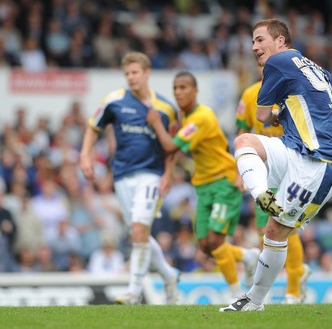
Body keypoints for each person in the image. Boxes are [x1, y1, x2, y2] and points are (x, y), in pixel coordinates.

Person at [220, 19, 332, 311]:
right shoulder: (313, 67)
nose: (254, 47)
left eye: (260, 40)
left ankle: (254, 301)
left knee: (275, 232)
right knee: (245, 142)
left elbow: (260, 115)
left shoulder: (279, 62)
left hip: (319, 163)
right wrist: (314, 104)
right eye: (253, 41)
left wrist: (280, 111)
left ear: (280, 40)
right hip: (295, 149)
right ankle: (262, 195)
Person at [146, 71, 260, 297]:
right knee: (205, 245)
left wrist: (156, 123)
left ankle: (238, 295)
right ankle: (248, 256)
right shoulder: (186, 117)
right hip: (203, 186)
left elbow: (170, 147)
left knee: (216, 242)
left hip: (223, 183)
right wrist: (168, 174)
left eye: (184, 87)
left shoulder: (201, 117)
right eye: (175, 88)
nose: (178, 92)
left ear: (195, 91)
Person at [80, 51, 180, 305]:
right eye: (127, 74)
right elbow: (94, 127)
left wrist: (168, 174)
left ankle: (133, 291)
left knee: (138, 229)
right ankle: (169, 275)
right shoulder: (114, 101)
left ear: (146, 73)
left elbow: (172, 146)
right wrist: (85, 156)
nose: (131, 78)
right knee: (139, 234)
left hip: (151, 174)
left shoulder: (165, 107)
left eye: (135, 72)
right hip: (122, 175)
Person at [235, 60, 311, 304]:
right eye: (261, 65)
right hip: (262, 168)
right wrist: (239, 170)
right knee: (264, 230)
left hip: (289, 164)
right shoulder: (248, 95)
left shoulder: (291, 91)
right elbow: (241, 131)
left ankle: (294, 288)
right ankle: (298, 271)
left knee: (285, 223)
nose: (264, 69)